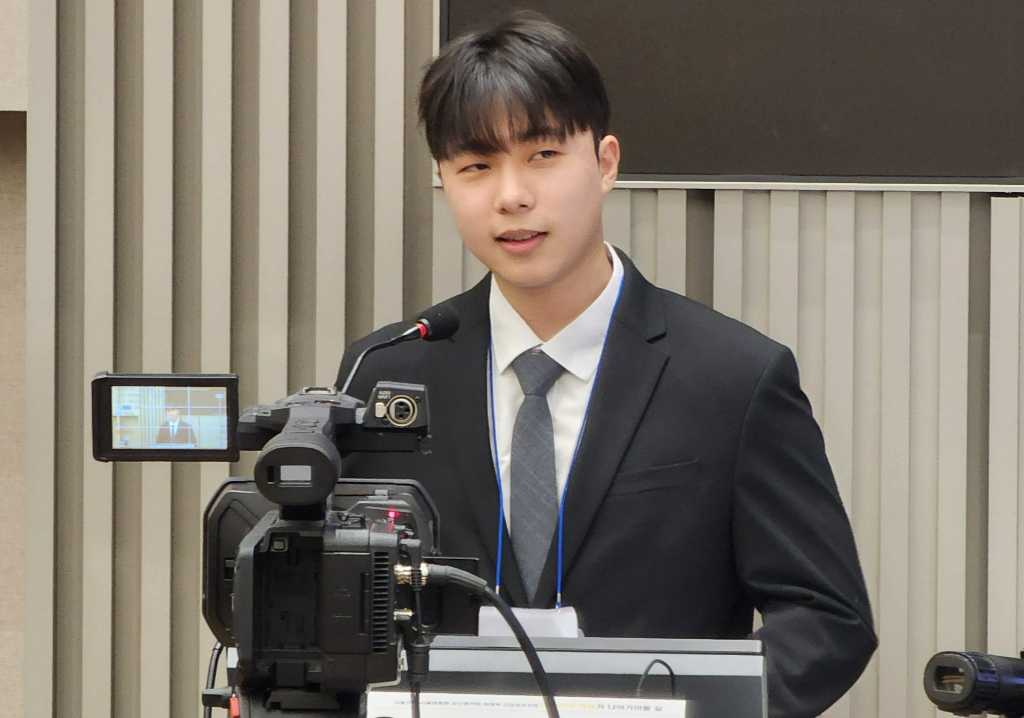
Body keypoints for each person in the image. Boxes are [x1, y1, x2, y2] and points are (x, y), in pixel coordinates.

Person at [337, 12, 875, 718]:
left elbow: (827, 618)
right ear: (444, 180)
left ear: (606, 162)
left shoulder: (733, 379)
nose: (511, 196)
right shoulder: (388, 373)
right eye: (475, 166)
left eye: (542, 155)